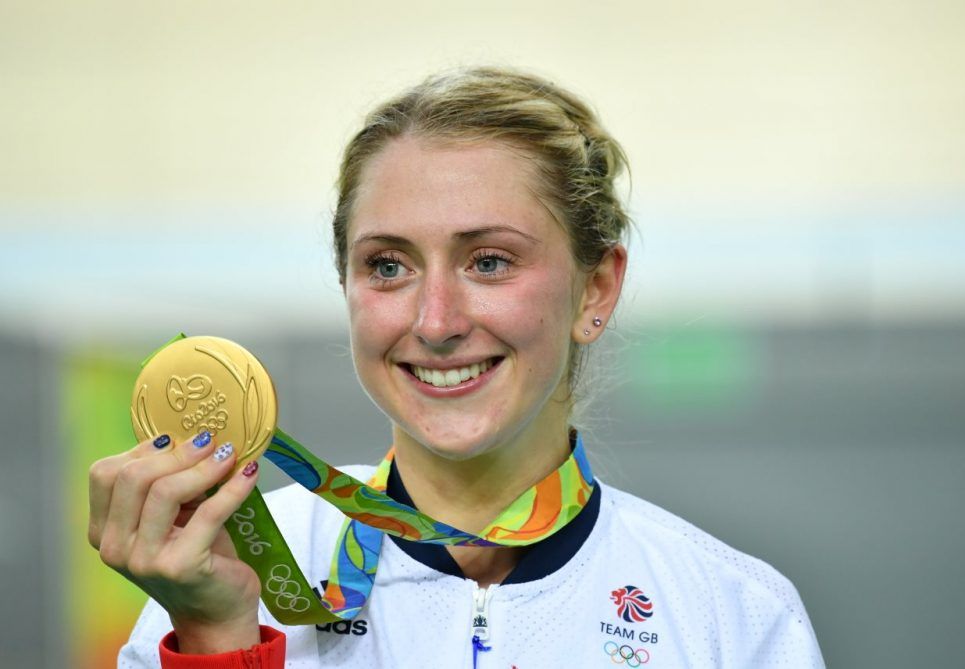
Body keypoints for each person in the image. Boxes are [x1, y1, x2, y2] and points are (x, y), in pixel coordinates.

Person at [92, 66, 824, 668]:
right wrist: (220, 639)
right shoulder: (219, 573)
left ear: (594, 288)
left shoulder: (730, 616)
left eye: (490, 261)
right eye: (388, 265)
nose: (435, 320)